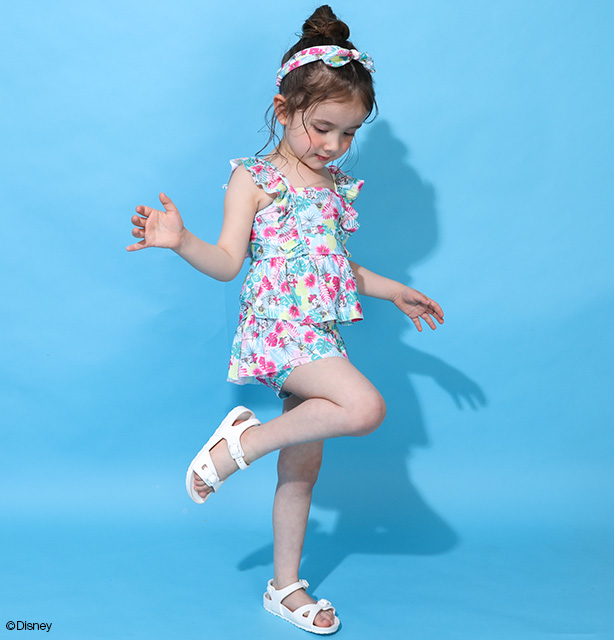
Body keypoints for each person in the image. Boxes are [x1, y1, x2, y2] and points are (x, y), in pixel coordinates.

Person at [126, 4, 443, 634]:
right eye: (322, 128)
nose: (333, 146)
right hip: (278, 328)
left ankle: (284, 587)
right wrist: (180, 240)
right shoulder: (255, 179)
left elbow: (334, 266)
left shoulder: (334, 186)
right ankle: (239, 445)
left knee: (302, 468)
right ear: (283, 109)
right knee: (365, 408)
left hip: (319, 332)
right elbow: (227, 263)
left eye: (348, 134)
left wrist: (394, 291)